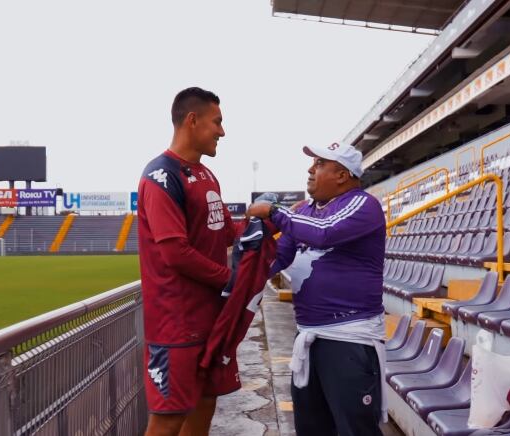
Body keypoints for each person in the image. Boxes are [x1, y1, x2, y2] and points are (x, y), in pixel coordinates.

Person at [247, 142, 387, 436]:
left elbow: (325, 233)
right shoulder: (307, 211)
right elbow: (279, 258)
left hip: (348, 337)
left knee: (355, 429)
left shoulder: (363, 204)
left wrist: (276, 212)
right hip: (309, 335)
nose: (311, 170)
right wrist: (235, 275)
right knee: (311, 428)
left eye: (320, 164)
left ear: (342, 175)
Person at [137, 87, 238, 436]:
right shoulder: (161, 176)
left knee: (205, 403)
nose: (222, 132)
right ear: (192, 121)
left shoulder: (207, 176)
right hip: (175, 326)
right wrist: (231, 280)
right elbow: (175, 253)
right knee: (168, 419)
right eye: (217, 122)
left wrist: (275, 223)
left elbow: (227, 232)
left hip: (211, 321)